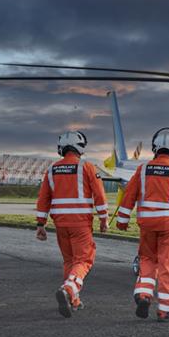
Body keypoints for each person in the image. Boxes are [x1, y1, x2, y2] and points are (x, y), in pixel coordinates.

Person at [116, 128, 169, 322]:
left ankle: (144, 295)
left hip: (147, 225)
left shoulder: (143, 169)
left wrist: (122, 221)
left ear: (155, 147)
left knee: (147, 259)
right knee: (166, 265)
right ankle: (165, 310)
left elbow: (129, 195)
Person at [36, 131, 108, 318]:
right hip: (81, 223)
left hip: (61, 224)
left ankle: (74, 300)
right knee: (83, 260)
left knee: (69, 261)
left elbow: (43, 198)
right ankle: (68, 289)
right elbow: (99, 195)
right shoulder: (87, 167)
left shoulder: (52, 169)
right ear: (81, 147)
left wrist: (40, 224)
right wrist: (103, 219)